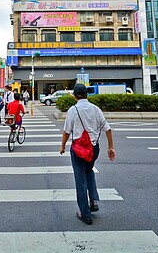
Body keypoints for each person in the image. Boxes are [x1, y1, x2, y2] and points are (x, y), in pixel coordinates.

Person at [60, 84, 115, 225]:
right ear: (86, 94)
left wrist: (62, 147)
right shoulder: (96, 109)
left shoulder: (73, 110)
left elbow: (67, 131)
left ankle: (85, 214)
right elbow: (108, 129)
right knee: (89, 171)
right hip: (94, 148)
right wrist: (111, 147)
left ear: (74, 96)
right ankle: (94, 201)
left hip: (79, 149)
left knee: (80, 179)